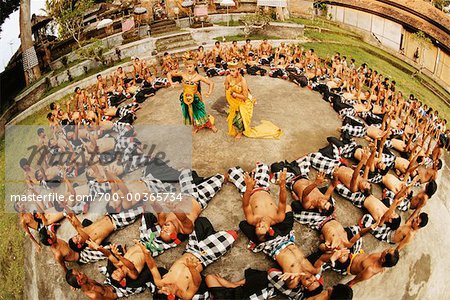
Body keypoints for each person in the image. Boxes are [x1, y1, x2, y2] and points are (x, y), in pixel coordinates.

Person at [225, 61, 283, 139]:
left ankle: (240, 132)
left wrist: (236, 94)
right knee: (233, 117)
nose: (231, 73)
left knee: (240, 118)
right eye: (230, 70)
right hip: (235, 101)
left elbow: (245, 97)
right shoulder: (228, 77)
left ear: (238, 70)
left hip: (244, 101)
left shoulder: (243, 81)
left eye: (233, 71)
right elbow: (226, 85)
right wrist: (228, 87)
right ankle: (239, 129)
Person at [168, 59, 217, 133]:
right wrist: (171, 83)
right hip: (185, 97)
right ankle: (196, 126)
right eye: (187, 67)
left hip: (195, 97)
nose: (188, 68)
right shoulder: (183, 74)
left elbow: (211, 83)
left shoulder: (198, 77)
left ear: (194, 66)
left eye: (190, 66)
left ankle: (210, 125)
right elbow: (169, 74)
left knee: (201, 112)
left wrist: (209, 92)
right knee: (190, 112)